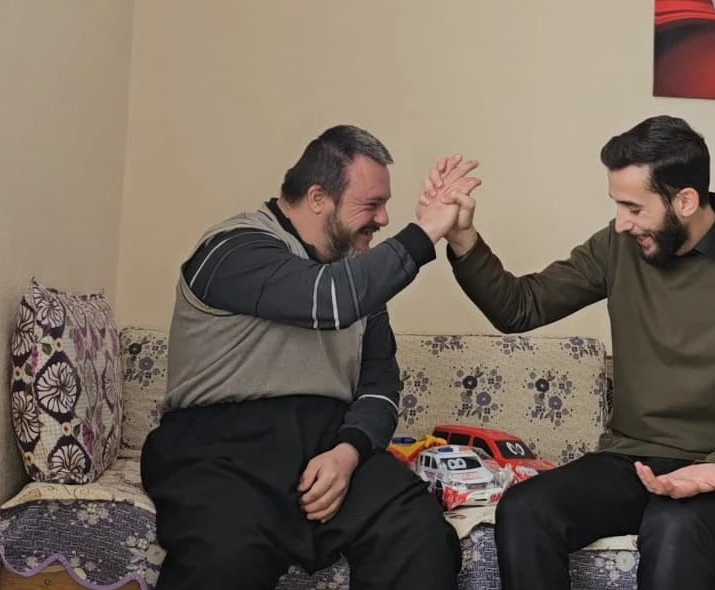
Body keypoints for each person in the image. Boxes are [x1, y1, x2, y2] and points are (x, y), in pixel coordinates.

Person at [421, 115, 715, 589]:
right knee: (526, 508)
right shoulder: (618, 246)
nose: (622, 222)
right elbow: (521, 307)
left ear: (685, 201)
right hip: (630, 461)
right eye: (617, 205)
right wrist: (462, 238)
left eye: (633, 207)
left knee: (674, 527)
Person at [140, 124, 482, 590]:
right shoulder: (232, 249)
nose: (384, 219)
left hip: (327, 444)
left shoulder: (360, 279)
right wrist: (425, 232)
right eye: (372, 204)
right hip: (220, 449)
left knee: (419, 535)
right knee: (226, 558)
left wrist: (348, 451)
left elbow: (380, 384)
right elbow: (325, 300)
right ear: (319, 197)